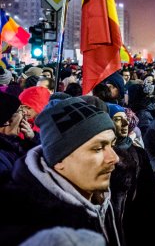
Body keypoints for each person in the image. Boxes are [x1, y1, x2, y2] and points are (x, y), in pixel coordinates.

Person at [0, 97, 122, 245]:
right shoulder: (35, 232)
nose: (115, 158)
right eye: (98, 148)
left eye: (112, 145)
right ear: (59, 160)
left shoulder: (105, 197)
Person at [107, 104, 155, 246]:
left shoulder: (139, 153)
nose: (125, 123)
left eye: (126, 119)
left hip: (136, 222)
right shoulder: (104, 156)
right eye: (117, 119)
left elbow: (149, 193)